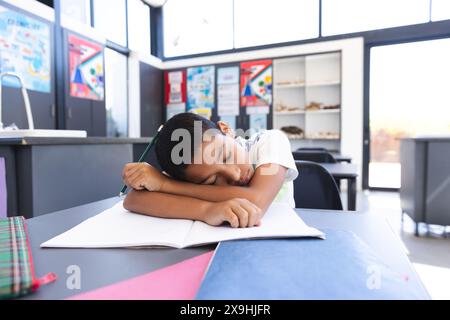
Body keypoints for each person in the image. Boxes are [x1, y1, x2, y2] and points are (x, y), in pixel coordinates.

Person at [122, 112, 298, 228]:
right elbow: (133, 200)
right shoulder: (193, 171)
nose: (234, 174)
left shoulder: (270, 141)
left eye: (227, 156)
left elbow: (257, 201)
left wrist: (166, 184)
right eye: (212, 181)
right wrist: (206, 210)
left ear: (226, 130)